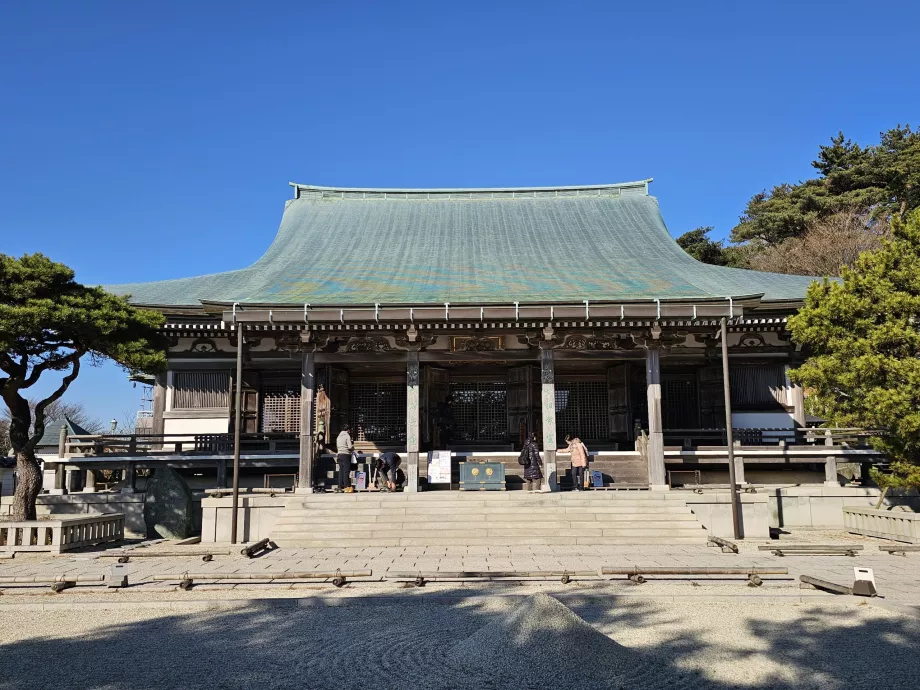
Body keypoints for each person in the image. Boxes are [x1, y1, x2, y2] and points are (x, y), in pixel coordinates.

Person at [335, 424, 354, 493]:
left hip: (339, 455)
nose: (349, 431)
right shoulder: (347, 436)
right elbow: (349, 447)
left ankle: (340, 486)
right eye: (349, 430)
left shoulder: (339, 436)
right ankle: (346, 486)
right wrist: (353, 447)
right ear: (348, 429)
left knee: (341, 471)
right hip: (345, 455)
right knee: (346, 471)